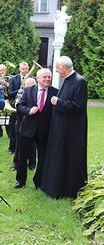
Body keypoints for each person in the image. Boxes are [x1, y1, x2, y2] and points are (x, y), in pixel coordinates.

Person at [41, 56, 88, 199]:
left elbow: (78, 106)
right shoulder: (67, 79)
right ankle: (54, 187)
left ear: (64, 67)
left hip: (72, 129)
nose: (55, 70)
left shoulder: (80, 81)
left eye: (57, 67)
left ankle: (67, 189)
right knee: (58, 153)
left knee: (68, 155)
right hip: (62, 126)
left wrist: (58, 102)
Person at [14, 71, 58, 189]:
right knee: (22, 156)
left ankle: (38, 182)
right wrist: (29, 111)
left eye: (49, 77)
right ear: (38, 78)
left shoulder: (55, 92)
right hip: (28, 128)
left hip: (44, 130)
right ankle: (20, 180)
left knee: (43, 157)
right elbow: (19, 106)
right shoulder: (28, 90)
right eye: (45, 77)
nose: (47, 79)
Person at [7, 62, 29, 154]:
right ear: (19, 69)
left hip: (26, 106)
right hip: (15, 106)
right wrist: (18, 91)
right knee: (13, 128)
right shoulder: (14, 79)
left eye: (26, 69)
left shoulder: (32, 79)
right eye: (23, 69)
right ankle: (12, 147)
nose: (24, 70)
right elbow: (9, 93)